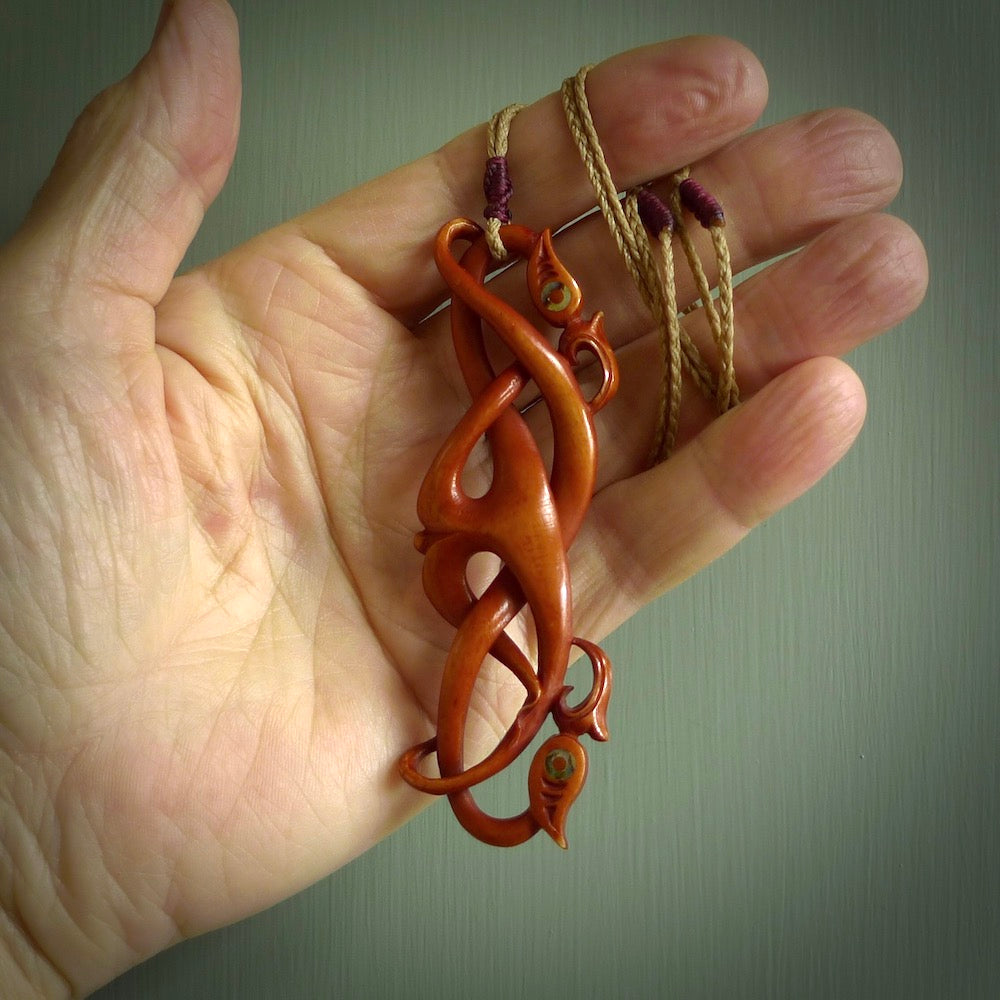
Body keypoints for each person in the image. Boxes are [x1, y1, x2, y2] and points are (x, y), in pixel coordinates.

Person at [0, 0, 927, 996]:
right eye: (550, 777)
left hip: (506, 522)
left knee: (529, 546)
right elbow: (481, 469)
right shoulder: (510, 421)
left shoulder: (522, 429)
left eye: (544, 781)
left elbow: (512, 450)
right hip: (502, 522)